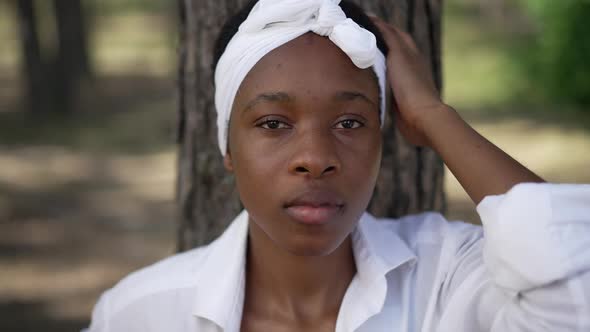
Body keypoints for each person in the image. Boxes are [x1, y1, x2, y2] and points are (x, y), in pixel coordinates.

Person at [85, 1, 590, 331]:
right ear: (228, 148)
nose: (316, 159)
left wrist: (436, 117)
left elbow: (575, 286)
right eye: (272, 124)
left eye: (350, 123)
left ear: (382, 138)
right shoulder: (140, 314)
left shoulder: (446, 282)